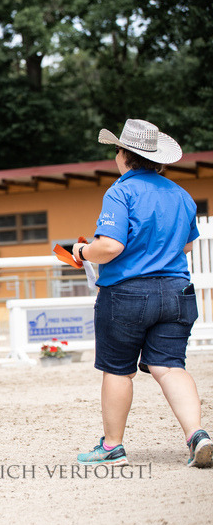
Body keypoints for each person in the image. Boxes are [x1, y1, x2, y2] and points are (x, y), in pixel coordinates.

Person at [73, 119, 211, 468]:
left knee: (118, 370)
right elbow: (186, 246)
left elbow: (110, 246)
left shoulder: (121, 191)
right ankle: (197, 435)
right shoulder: (181, 195)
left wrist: (83, 251)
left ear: (123, 154)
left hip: (128, 293)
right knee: (170, 367)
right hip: (177, 291)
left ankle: (112, 447)